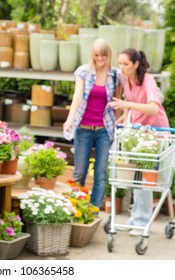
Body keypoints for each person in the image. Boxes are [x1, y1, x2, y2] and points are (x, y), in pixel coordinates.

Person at [108, 48, 169, 236]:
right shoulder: (127, 80)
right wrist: (125, 115)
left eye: (126, 64)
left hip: (155, 134)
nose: (122, 68)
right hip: (139, 133)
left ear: (136, 64)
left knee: (145, 177)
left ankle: (142, 220)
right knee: (134, 175)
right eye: (120, 64)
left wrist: (127, 106)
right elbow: (131, 100)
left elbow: (152, 108)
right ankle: (136, 218)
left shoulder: (148, 81)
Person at [63, 38, 118, 209]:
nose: (100, 59)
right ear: (92, 55)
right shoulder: (83, 72)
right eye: (97, 55)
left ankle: (93, 209)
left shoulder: (115, 75)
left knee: (100, 173)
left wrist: (121, 123)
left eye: (103, 55)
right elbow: (78, 96)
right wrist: (70, 119)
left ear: (108, 56)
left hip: (104, 130)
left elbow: (118, 101)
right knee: (80, 171)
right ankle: (76, 206)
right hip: (84, 128)